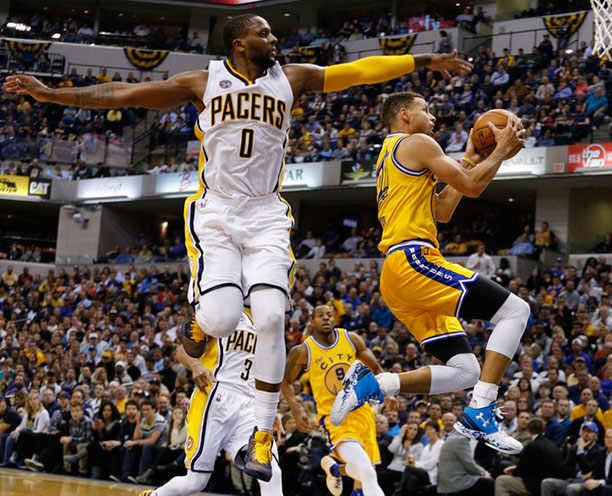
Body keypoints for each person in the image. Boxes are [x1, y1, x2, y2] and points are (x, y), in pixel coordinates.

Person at [4, 15, 472, 481]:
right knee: (225, 318)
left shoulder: (291, 78)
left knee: (270, 319)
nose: (275, 39)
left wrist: (425, 58)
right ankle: (199, 321)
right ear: (240, 43)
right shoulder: (203, 81)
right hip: (218, 213)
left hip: (267, 213)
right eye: (265, 34)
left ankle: (262, 438)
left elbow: (361, 71)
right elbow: (124, 94)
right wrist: (50, 94)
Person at [332, 91, 529, 455]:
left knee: (465, 370)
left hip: (398, 273)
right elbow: (471, 187)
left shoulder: (394, 154)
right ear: (405, 115)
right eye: (427, 110)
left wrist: (472, 157)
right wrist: (499, 150)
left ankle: (373, 385)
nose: (434, 117)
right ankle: (482, 409)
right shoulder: (417, 142)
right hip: (413, 260)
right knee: (516, 311)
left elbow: (442, 209)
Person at [137, 312, 282, 496]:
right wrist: (196, 365)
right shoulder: (224, 310)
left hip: (249, 403)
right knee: (195, 482)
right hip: (215, 395)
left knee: (272, 473)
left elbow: (268, 376)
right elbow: (181, 352)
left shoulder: (267, 325)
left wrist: (269, 412)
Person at [282, 305, 384, 496]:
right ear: (311, 322)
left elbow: (377, 369)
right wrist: (296, 411)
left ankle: (334, 469)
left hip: (363, 414)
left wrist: (390, 393)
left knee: (363, 476)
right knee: (367, 472)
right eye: (320, 316)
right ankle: (334, 469)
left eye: (329, 315)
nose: (326, 318)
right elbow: (285, 381)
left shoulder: (351, 340)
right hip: (335, 418)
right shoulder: (304, 350)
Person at [495, 418, 565, 496]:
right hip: (552, 484)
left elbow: (521, 470)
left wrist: (513, 471)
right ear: (543, 430)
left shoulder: (533, 446)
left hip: (535, 486)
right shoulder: (552, 445)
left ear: (529, 430)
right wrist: (515, 468)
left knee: (501, 480)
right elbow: (538, 465)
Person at [583, 428, 612, 496]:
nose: (609, 440)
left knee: (606, 489)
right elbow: (596, 473)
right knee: (588, 487)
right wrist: (592, 480)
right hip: (602, 485)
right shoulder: (601, 453)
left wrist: (601, 482)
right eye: (607, 437)